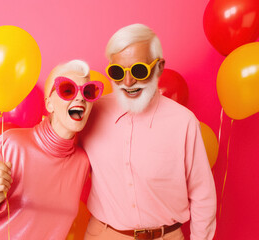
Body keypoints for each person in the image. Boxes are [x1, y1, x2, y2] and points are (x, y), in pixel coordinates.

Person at [80, 24, 217, 240]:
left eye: (139, 70)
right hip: (104, 234)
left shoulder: (183, 122)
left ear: (159, 67)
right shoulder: (91, 113)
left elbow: (203, 195)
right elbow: (56, 154)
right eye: (117, 72)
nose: (128, 82)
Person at [0, 59, 104, 239]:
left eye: (87, 92)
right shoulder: (12, 144)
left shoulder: (82, 163)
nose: (80, 98)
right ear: (49, 104)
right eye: (67, 90)